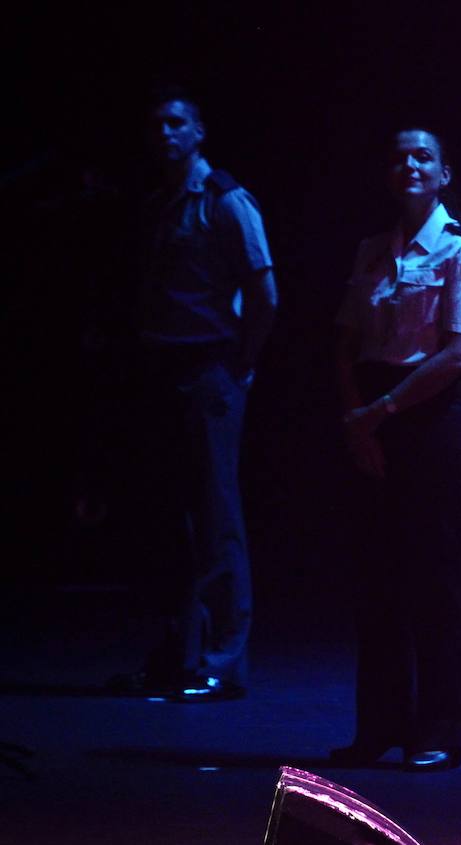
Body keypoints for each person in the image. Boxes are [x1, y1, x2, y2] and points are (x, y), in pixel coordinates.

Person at [328, 127, 461, 772]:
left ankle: (441, 729)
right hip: (373, 413)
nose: (410, 165)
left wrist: (381, 411)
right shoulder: (372, 250)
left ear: (444, 172)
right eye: (398, 157)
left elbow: (459, 352)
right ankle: (379, 726)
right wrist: (357, 420)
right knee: (376, 577)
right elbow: (346, 343)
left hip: (426, 416)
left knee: (434, 578)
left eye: (423, 156)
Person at [116, 90, 277, 701]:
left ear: (199, 130)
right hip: (164, 366)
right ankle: (173, 656)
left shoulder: (225, 199)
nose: (165, 132)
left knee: (216, 515)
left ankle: (221, 662)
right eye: (156, 123)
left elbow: (265, 292)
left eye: (176, 122)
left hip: (210, 366)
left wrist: (242, 363)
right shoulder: (159, 202)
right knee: (167, 518)